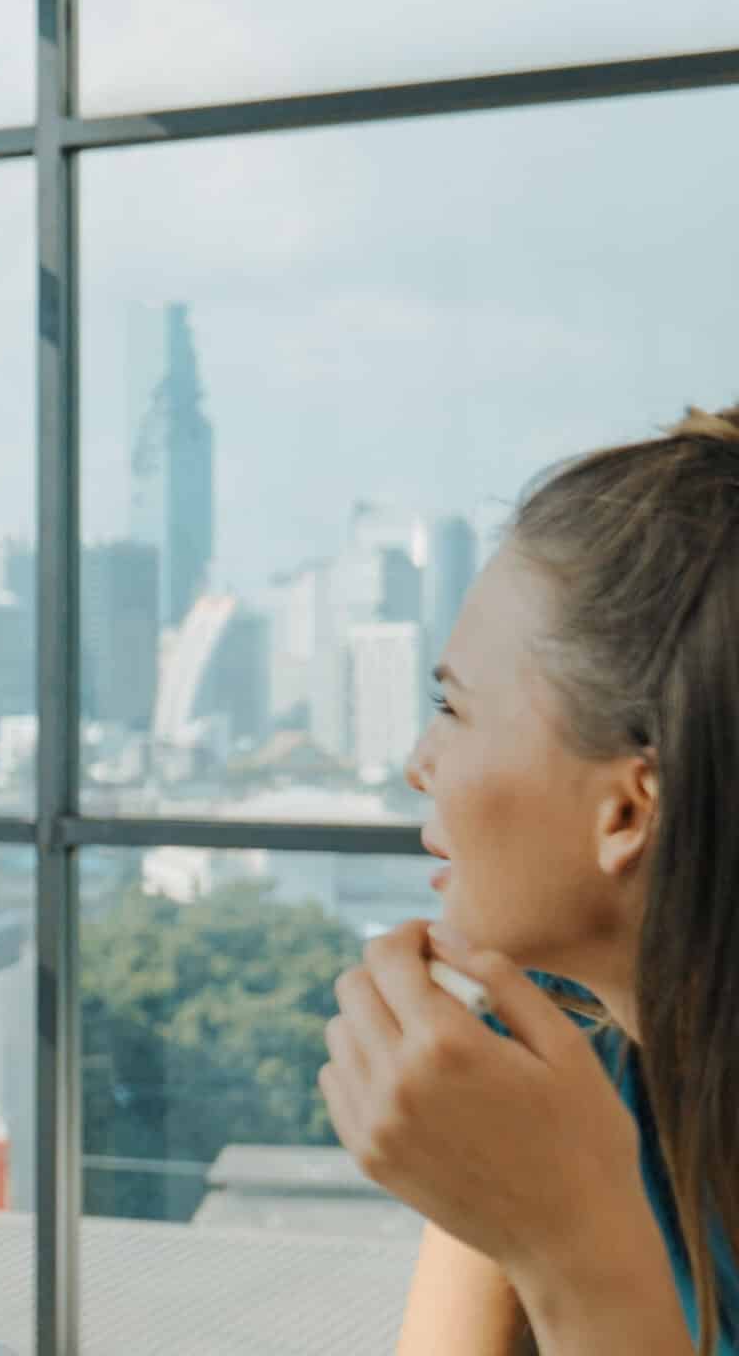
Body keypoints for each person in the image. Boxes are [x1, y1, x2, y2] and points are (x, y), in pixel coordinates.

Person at [323, 404, 739, 1354]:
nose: (419, 764)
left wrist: (571, 1245)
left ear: (630, 810)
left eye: (453, 708)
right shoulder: (547, 1052)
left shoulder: (548, 1123)